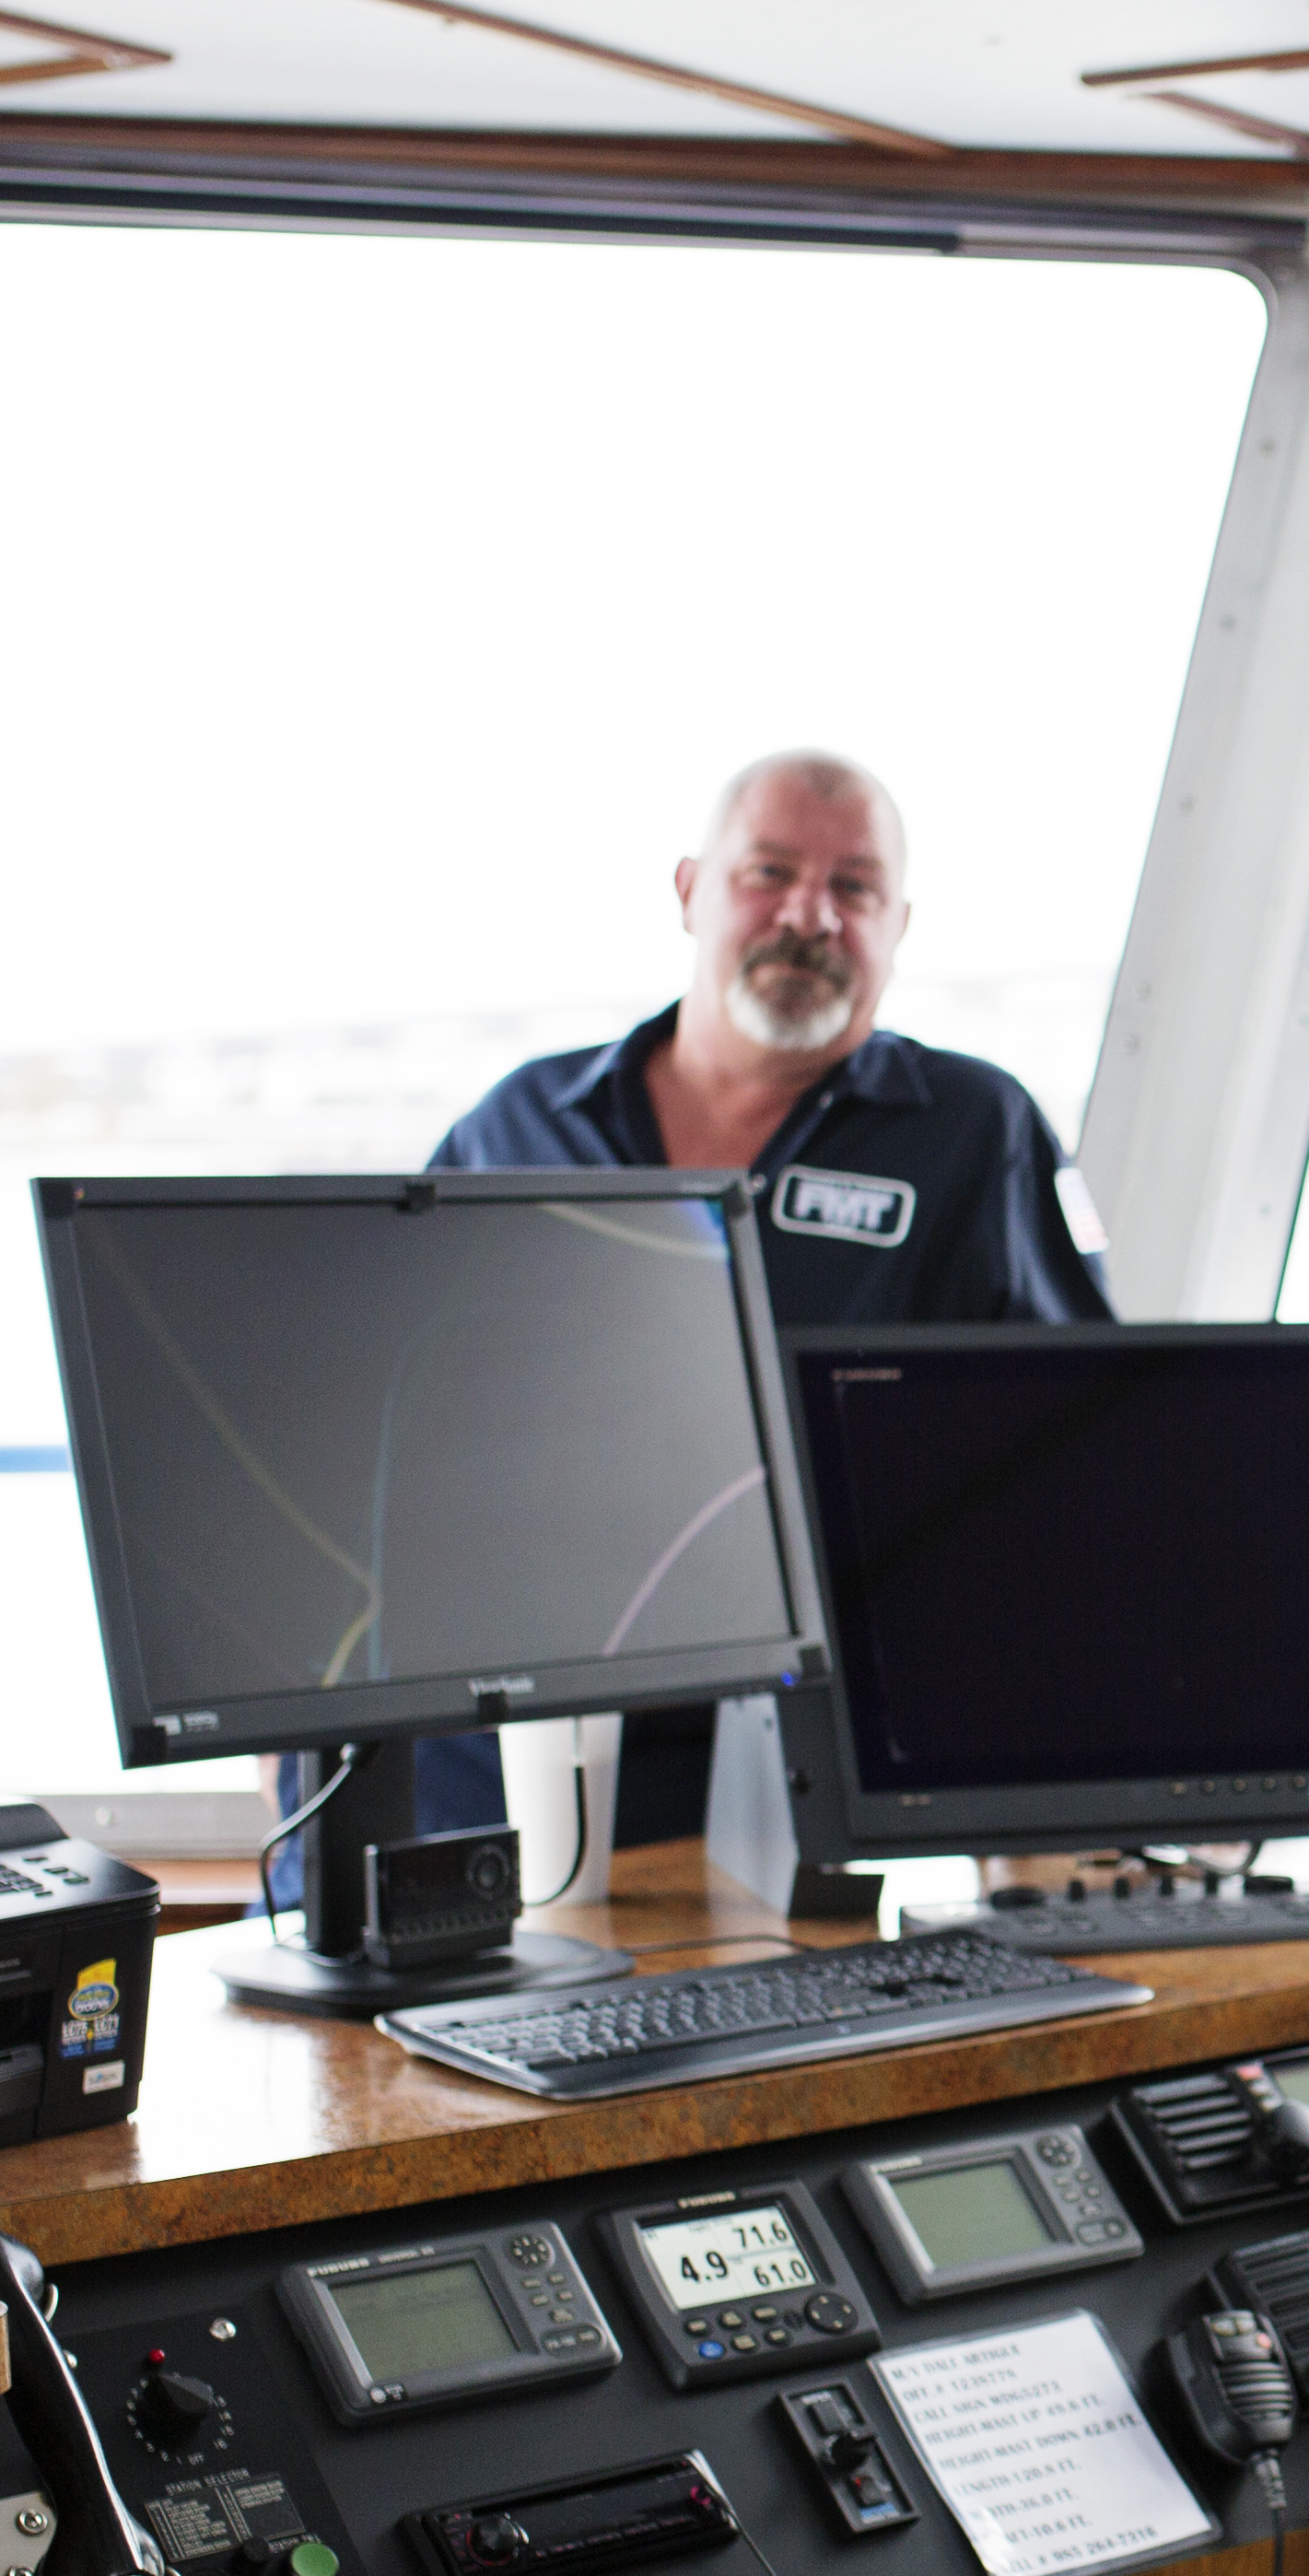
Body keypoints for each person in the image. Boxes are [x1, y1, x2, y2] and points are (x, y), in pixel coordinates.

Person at [414, 747, 1110, 1849]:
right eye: (769, 873)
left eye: (854, 887)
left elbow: (1080, 1452)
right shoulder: (517, 1127)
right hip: (492, 1773)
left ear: (899, 923)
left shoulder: (975, 1131)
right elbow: (393, 1437)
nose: (810, 915)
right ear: (691, 891)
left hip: (797, 1795)